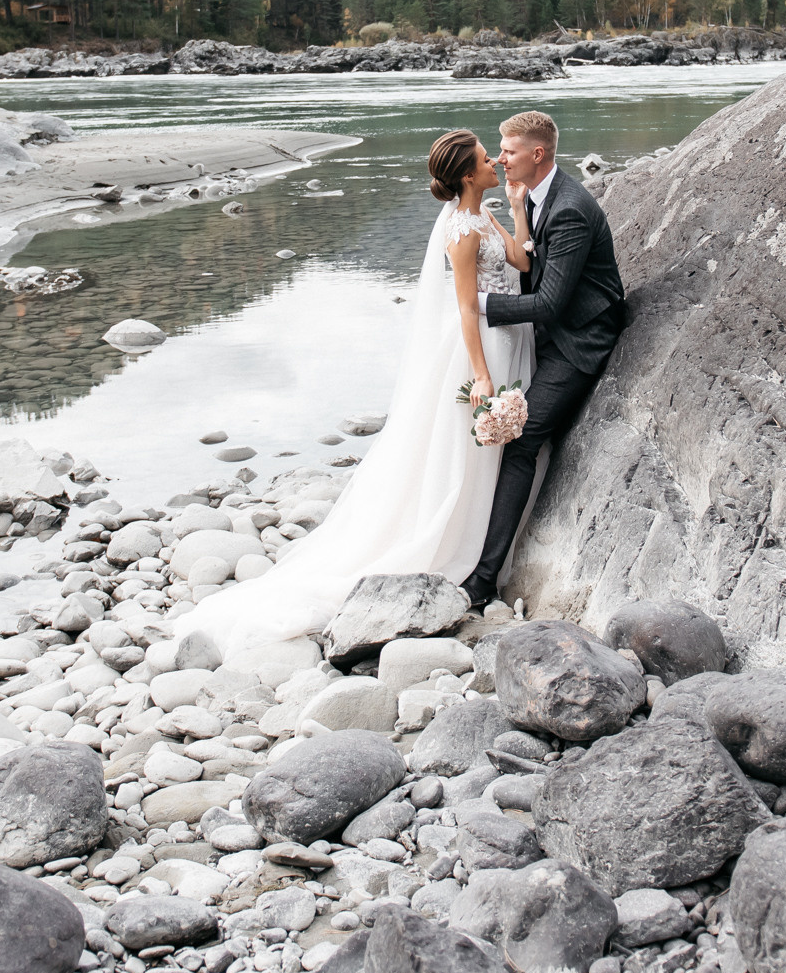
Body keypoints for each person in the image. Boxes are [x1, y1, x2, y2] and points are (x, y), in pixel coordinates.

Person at [174, 127, 536, 655]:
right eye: (486, 159)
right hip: (480, 349)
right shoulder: (460, 229)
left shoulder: (484, 213)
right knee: (469, 458)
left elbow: (521, 263)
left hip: (508, 339)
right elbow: (464, 309)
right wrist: (481, 375)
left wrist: (519, 207)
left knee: (494, 456)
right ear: (466, 175)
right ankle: (460, 547)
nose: (494, 164)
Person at [462, 110, 627, 608]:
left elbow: (552, 302)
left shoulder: (570, 207)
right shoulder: (531, 196)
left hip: (578, 338)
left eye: (507, 150)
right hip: (543, 331)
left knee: (523, 439)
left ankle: (484, 579)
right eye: (497, 150)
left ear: (538, 154)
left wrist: (477, 306)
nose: (499, 158)